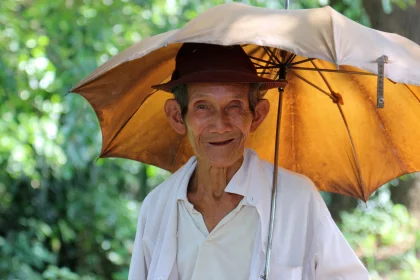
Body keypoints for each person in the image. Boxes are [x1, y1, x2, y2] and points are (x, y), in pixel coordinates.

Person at [128, 43, 369, 280]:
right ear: (177, 116)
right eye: (202, 107)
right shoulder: (158, 207)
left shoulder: (296, 198)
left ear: (257, 115)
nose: (220, 125)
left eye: (235, 106)